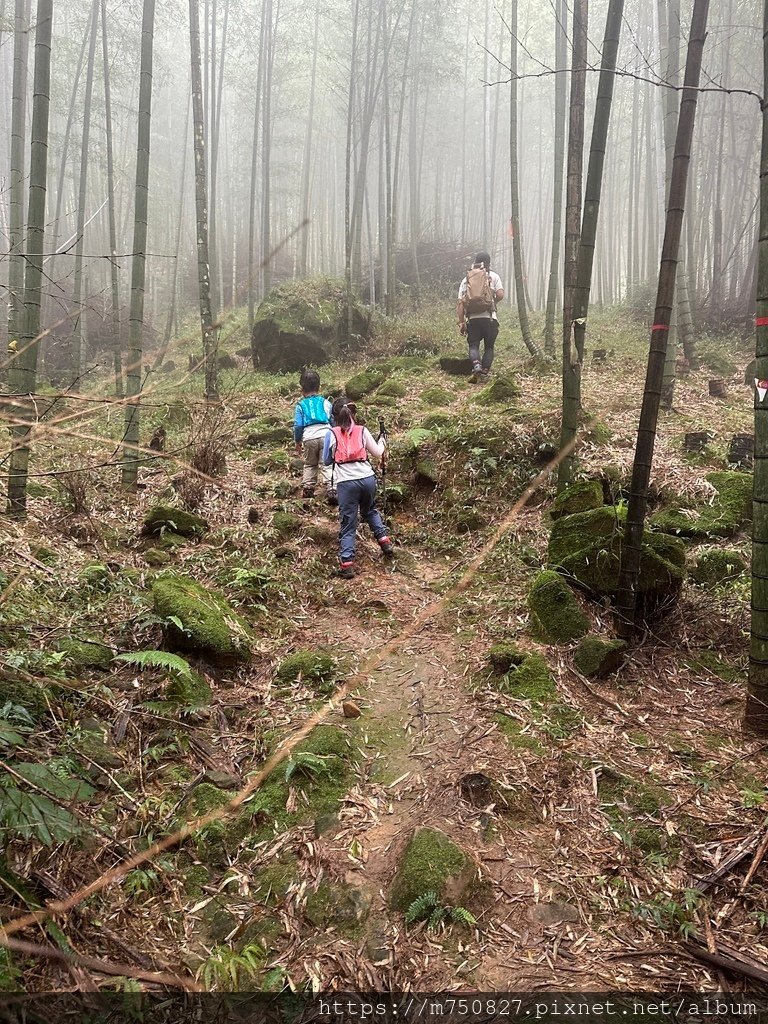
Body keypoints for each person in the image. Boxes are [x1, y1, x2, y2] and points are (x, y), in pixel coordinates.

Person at [323, 398, 394, 579]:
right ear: (354, 414)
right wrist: (383, 441)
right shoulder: (363, 430)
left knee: (348, 522)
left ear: (334, 416)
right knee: (370, 510)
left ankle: (347, 564)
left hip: (346, 483)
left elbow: (327, 461)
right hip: (367, 478)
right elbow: (378, 452)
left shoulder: (331, 434)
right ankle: (384, 541)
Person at [457, 251, 504, 383]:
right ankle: (484, 373)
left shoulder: (467, 279)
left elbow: (460, 303)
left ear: (476, 262)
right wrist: (492, 302)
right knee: (489, 347)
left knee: (473, 346)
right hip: (490, 318)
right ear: (488, 263)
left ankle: (476, 366)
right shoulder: (493, 276)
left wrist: (461, 322)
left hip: (472, 319)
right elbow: (500, 294)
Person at [294, 369, 333, 500]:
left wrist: (297, 441)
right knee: (327, 463)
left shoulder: (300, 405)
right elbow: (332, 419)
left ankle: (308, 488)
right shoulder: (325, 402)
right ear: (319, 387)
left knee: (310, 464)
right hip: (326, 435)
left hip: (309, 437)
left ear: (301, 388)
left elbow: (298, 425)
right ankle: (332, 489)